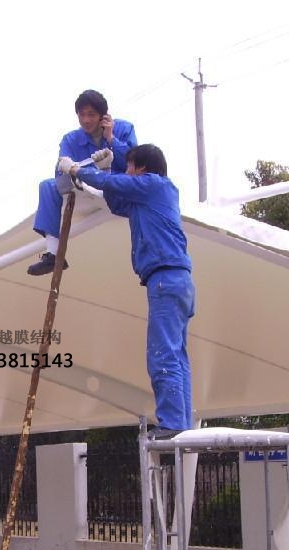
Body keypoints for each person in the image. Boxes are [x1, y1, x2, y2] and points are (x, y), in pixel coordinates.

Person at [63, 144, 194, 438]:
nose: (128, 171)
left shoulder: (155, 184)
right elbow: (116, 201)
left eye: (131, 166)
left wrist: (77, 170)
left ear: (143, 168)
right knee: (177, 355)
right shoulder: (149, 198)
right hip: (177, 280)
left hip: (165, 278)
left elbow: (114, 183)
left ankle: (172, 423)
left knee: (162, 355)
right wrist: (105, 170)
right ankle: (181, 423)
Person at [27, 89, 138, 276]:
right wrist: (73, 170)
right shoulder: (71, 139)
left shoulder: (123, 129)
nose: (86, 120)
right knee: (47, 185)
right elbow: (60, 170)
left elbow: (134, 165)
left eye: (92, 115)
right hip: (83, 187)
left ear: (103, 116)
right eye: (82, 114)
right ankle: (53, 255)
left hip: (115, 187)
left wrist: (111, 138)